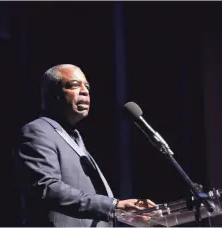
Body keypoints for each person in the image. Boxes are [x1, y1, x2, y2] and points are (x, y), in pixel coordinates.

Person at [13, 64, 156, 227]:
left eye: (86, 86)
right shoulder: (38, 130)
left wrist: (124, 212)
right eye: (74, 85)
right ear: (53, 93)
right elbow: (46, 188)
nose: (85, 91)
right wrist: (114, 205)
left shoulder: (73, 136)